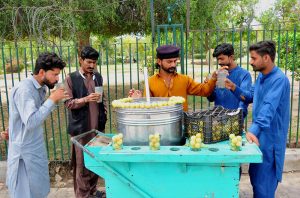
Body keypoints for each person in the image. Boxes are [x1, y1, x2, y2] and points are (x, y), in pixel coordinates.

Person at [225, 40, 290, 198]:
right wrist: (234, 87)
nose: (251, 62)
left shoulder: (279, 80)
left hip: (270, 142)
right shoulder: (261, 77)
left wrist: (253, 129)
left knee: (264, 188)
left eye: (254, 58)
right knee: (256, 179)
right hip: (258, 139)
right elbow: (249, 96)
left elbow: (268, 107)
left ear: (266, 58)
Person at [6, 52, 67, 198]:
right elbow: (31, 122)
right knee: (25, 192)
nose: (58, 78)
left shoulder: (42, 88)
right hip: (24, 153)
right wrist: (52, 100)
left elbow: (26, 116)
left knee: (38, 190)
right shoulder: (25, 90)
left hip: (35, 147)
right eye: (55, 74)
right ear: (41, 72)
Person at [65, 46, 107, 198]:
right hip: (81, 129)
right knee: (82, 164)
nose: (92, 66)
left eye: (94, 63)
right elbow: (68, 103)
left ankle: (93, 191)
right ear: (80, 60)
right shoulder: (71, 78)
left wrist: (104, 111)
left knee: (95, 160)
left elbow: (102, 98)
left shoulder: (98, 77)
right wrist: (85, 99)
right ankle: (83, 195)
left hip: (97, 128)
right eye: (89, 62)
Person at [130, 45, 222, 112]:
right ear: (159, 61)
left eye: (175, 61)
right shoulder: (150, 82)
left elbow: (205, 91)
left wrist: (213, 78)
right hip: (160, 125)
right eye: (169, 62)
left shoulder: (184, 80)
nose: (173, 64)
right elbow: (147, 106)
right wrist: (137, 100)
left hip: (181, 125)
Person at [207, 43, 252, 119]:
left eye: (222, 58)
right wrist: (209, 86)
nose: (219, 62)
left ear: (231, 57)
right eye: (218, 59)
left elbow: (245, 99)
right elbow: (211, 98)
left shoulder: (244, 74)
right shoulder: (217, 74)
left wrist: (239, 117)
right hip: (217, 119)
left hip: (235, 120)